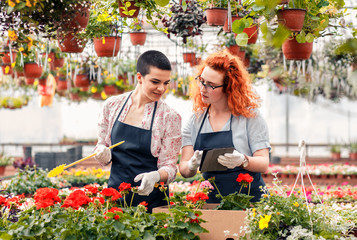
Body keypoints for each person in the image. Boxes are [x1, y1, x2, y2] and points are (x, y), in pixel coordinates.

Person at [94, 50, 182, 212]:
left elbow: (170, 167)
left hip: (153, 204)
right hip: (115, 199)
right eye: (155, 82)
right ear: (139, 77)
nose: (161, 88)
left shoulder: (169, 117)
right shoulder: (112, 106)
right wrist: (102, 153)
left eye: (166, 83)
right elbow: (102, 146)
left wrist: (156, 176)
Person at [179, 50, 271, 203]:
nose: (203, 88)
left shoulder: (249, 117)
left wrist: (243, 160)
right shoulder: (195, 121)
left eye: (211, 85)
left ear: (229, 88)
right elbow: (184, 169)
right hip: (212, 202)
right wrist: (191, 165)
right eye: (202, 81)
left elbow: (263, 162)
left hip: (250, 201)